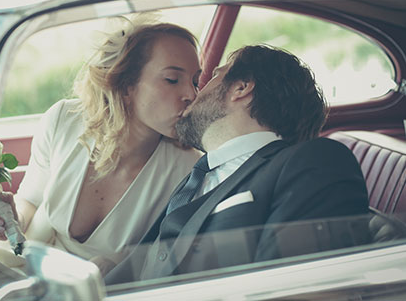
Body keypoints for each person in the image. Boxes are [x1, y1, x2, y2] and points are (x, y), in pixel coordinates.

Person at [105, 44, 371, 284]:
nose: (194, 93)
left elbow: (298, 288)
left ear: (241, 88)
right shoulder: (195, 178)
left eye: (211, 78)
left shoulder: (315, 163)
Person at [0, 16, 202, 275]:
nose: (192, 95)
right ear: (127, 84)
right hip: (25, 272)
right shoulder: (63, 120)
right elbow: (31, 199)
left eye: (195, 81)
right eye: (172, 79)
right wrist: (9, 220)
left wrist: (121, 268)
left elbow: (168, 261)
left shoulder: (189, 170)